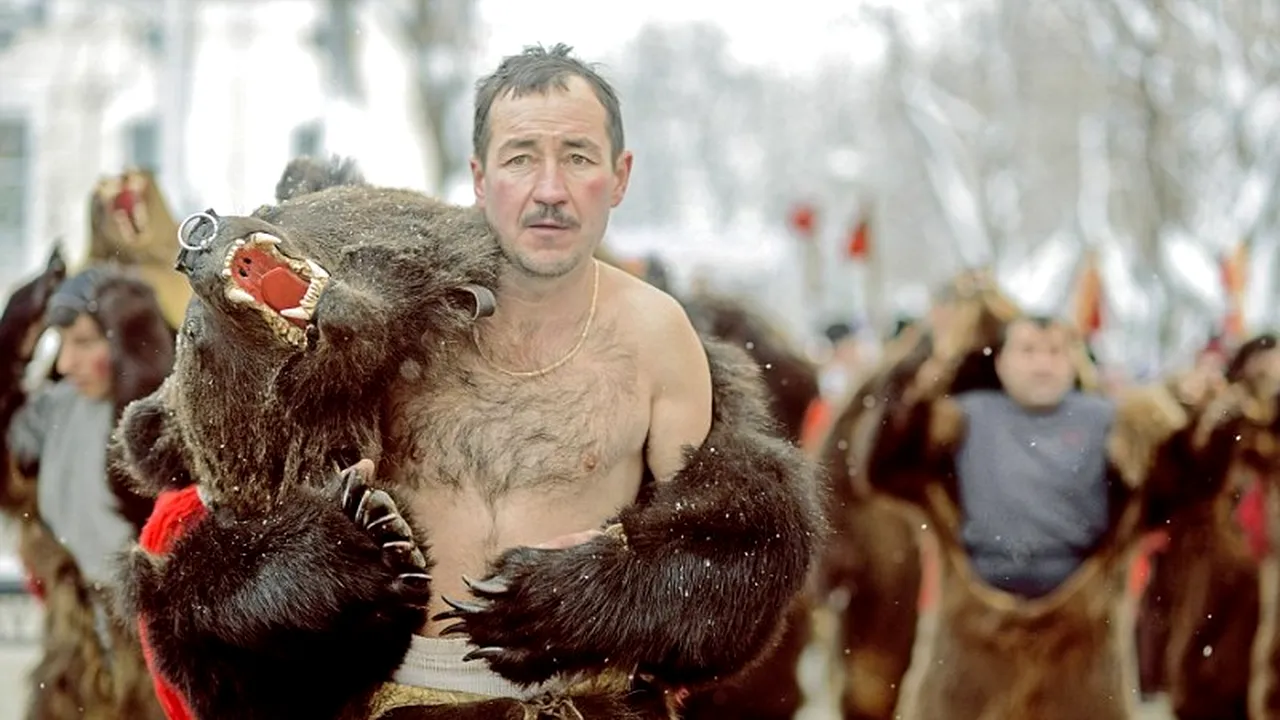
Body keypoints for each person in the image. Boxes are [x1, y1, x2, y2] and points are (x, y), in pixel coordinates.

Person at [128, 43, 819, 720]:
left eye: (577, 157)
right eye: (521, 158)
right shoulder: (378, 313)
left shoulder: (657, 333)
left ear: (619, 174)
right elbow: (221, 551)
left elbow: (740, 554)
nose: (550, 190)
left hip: (584, 701)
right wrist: (304, 575)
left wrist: (617, 590)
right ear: (481, 177)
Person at [0, 262, 173, 719]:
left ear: (124, 339)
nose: (64, 363)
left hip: (159, 649)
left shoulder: (178, 420)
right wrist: (10, 340)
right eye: (62, 344)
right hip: (75, 644)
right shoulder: (59, 408)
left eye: (84, 342)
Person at [952, 314, 1114, 597]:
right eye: (1028, 351)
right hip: (980, 588)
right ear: (1000, 363)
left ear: (1073, 361)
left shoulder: (1107, 420)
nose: (1043, 366)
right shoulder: (964, 416)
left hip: (1081, 588)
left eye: (1055, 351)